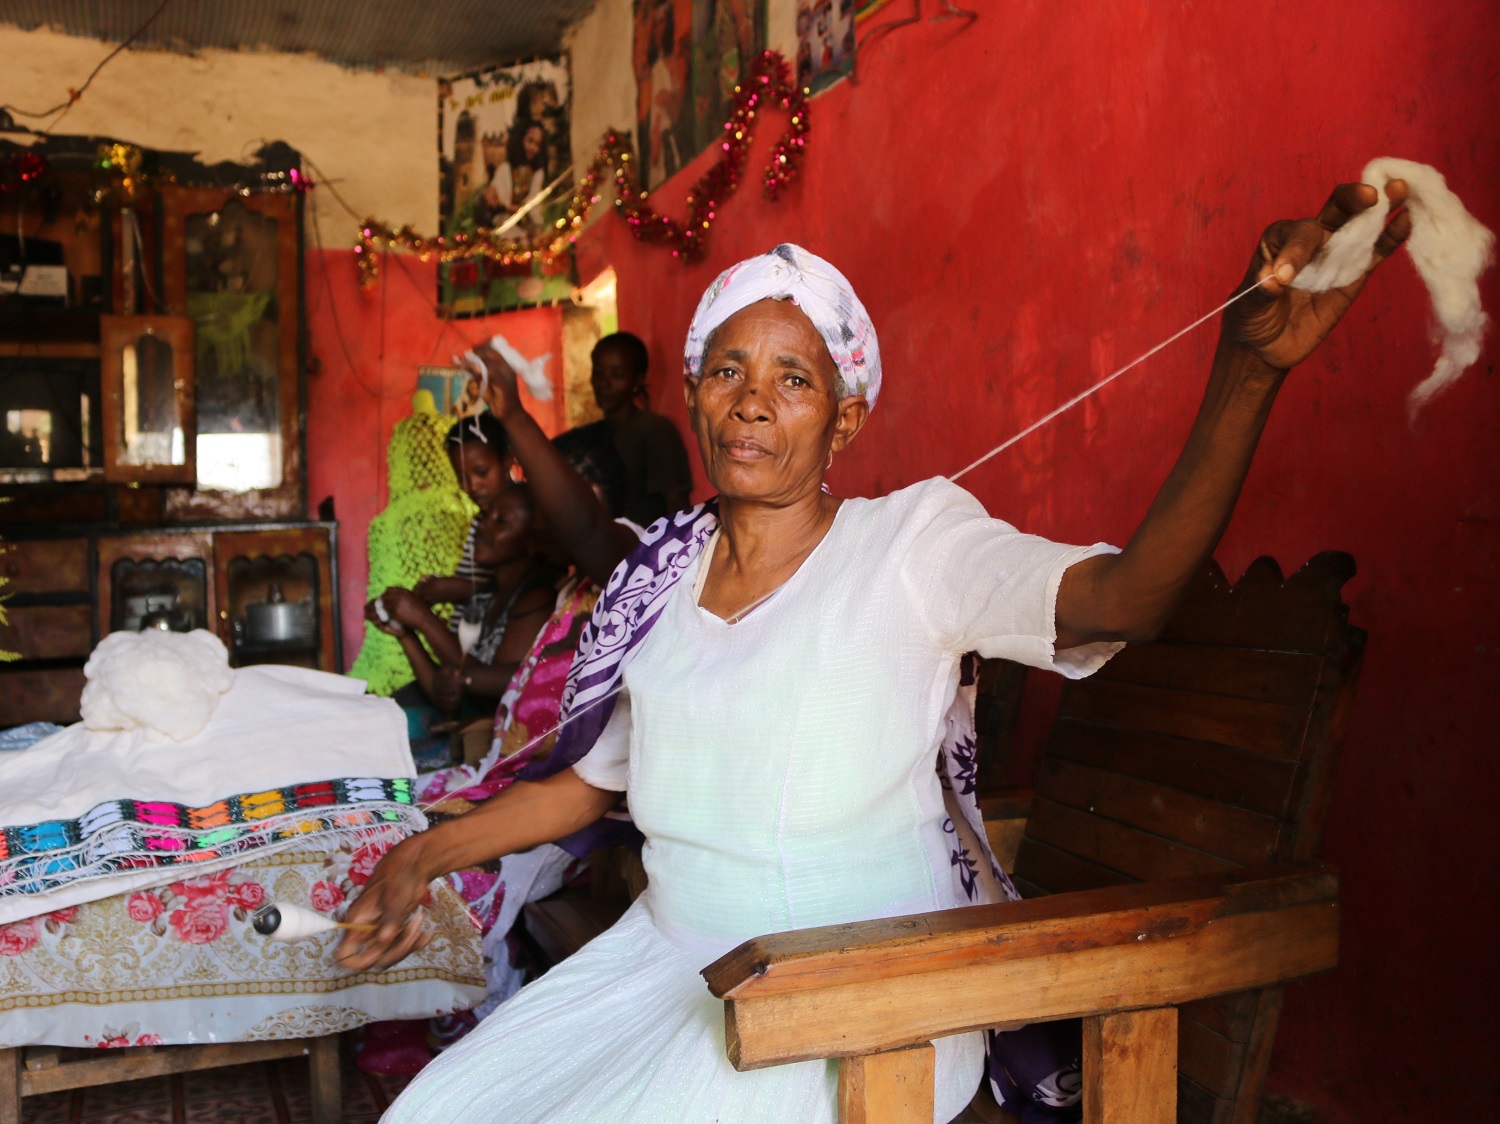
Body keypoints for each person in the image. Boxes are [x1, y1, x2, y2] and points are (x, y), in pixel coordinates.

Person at [337, 182, 1412, 1123]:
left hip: (859, 997)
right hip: (661, 964)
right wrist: (420, 853)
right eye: (727, 370)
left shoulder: (914, 544)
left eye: (795, 380)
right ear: (698, 396)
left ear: (845, 420)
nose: (754, 400)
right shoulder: (661, 578)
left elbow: (1127, 597)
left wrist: (1245, 373)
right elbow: (588, 787)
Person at [569, 330, 693, 526]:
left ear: (637, 380)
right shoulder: (593, 435)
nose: (604, 383)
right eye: (598, 372)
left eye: (617, 374)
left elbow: (677, 505)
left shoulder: (655, 430)